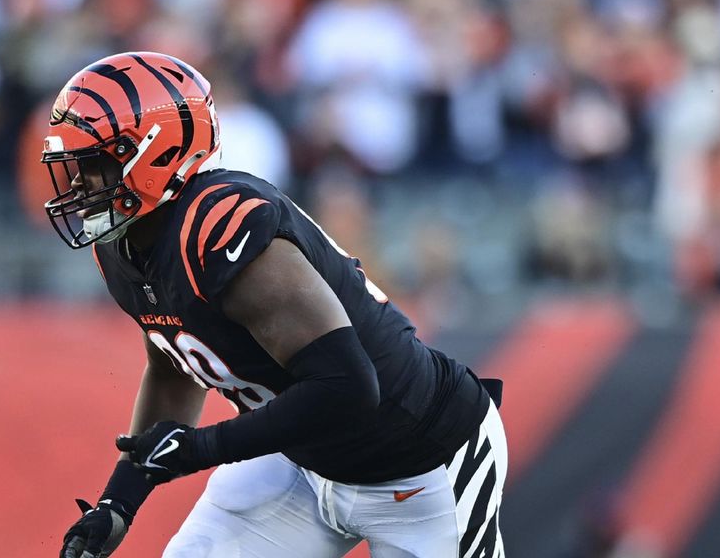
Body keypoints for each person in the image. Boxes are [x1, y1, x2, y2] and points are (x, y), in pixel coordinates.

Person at [47, 51, 508, 558]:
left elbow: (347, 385)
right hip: (304, 458)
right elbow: (174, 363)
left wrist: (202, 449)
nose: (77, 186)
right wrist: (119, 501)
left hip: (418, 458)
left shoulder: (221, 224)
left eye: (93, 166)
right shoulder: (122, 246)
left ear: (153, 154)